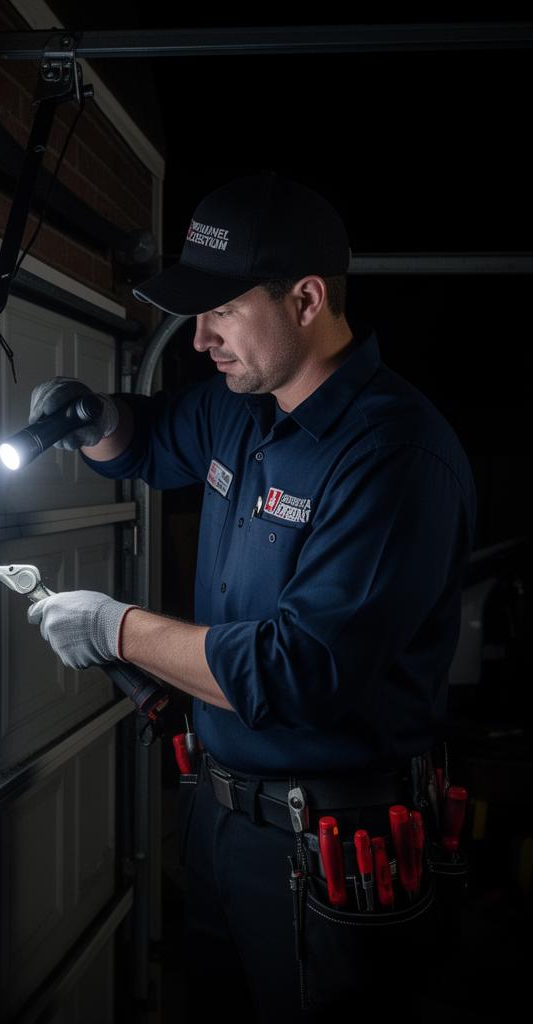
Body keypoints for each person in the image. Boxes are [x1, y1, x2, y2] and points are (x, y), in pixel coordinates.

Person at [26, 172, 476, 1020]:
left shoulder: (394, 458)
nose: (199, 340)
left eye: (222, 311)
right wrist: (93, 420)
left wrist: (116, 629)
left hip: (334, 850)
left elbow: (296, 671)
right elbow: (151, 441)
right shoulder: (245, 409)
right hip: (221, 822)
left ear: (305, 300)